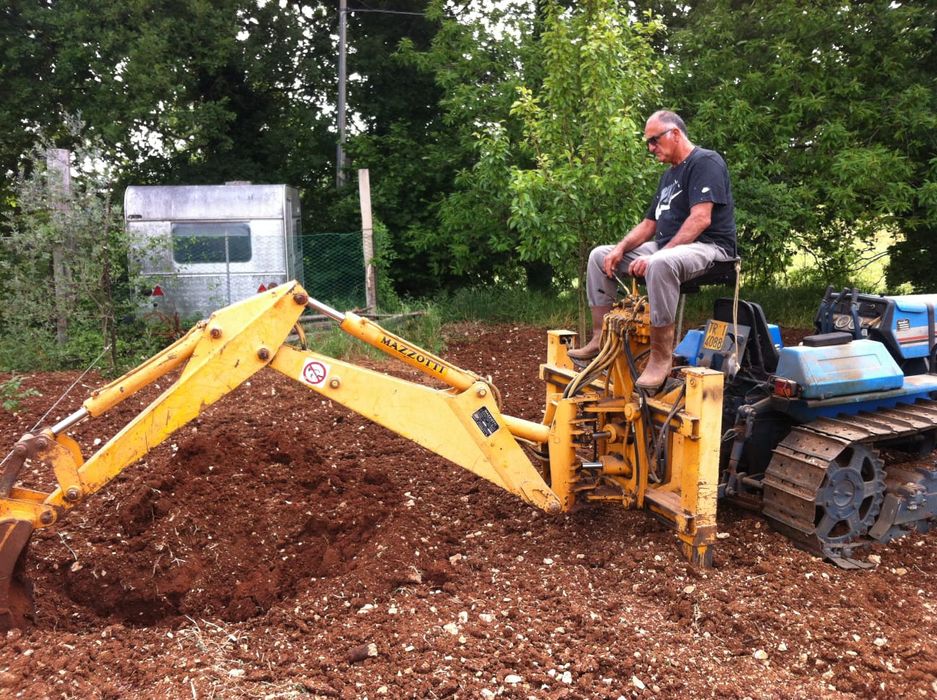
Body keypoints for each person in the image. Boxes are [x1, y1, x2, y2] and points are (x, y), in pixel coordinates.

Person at [567, 110, 737, 389]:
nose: (650, 148)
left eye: (654, 140)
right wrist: (620, 249)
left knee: (661, 263)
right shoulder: (669, 177)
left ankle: (661, 358)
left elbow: (700, 219)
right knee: (599, 255)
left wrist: (658, 254)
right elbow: (649, 224)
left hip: (711, 247)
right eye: (648, 142)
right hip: (667, 246)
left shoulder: (706, 162)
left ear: (675, 134)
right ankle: (601, 337)